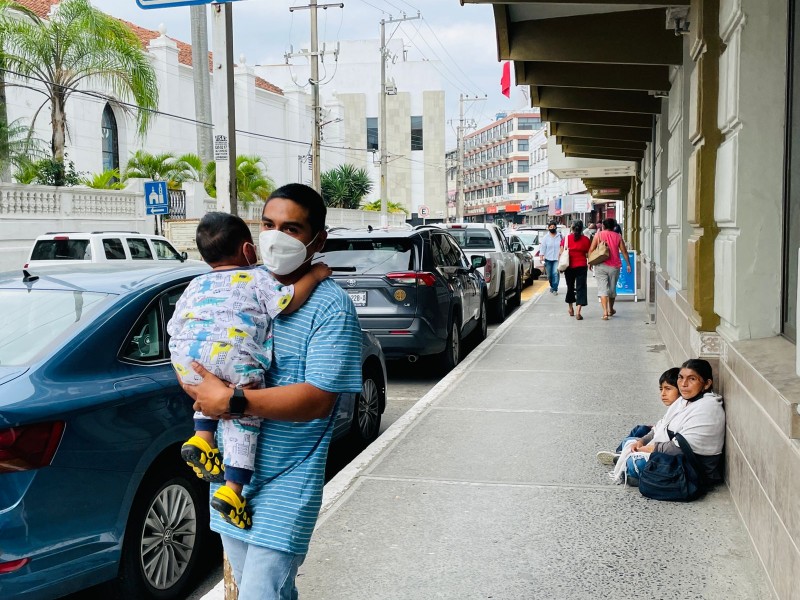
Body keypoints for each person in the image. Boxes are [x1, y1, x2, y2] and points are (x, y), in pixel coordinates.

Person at [177, 184, 363, 599]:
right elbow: (194, 359)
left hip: (287, 480)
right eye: (268, 224)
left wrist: (232, 400)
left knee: (263, 594)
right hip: (230, 480)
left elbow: (318, 400)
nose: (275, 236)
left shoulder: (331, 307)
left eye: (291, 228)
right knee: (253, 592)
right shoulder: (238, 285)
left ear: (318, 240)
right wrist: (200, 387)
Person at [168, 212, 330, 530]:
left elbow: (175, 325)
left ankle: (203, 438)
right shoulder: (257, 277)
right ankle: (234, 491)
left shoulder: (195, 284)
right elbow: (289, 301)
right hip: (234, 360)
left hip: (187, 359)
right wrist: (316, 275)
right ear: (248, 251)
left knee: (207, 390)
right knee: (243, 417)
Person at [610, 359, 725, 486]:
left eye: (692, 379)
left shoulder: (708, 408)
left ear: (707, 384)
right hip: (673, 454)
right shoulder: (683, 401)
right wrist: (641, 442)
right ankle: (629, 466)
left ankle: (629, 467)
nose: (683, 384)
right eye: (680, 378)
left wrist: (648, 449)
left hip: (693, 468)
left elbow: (680, 448)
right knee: (630, 442)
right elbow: (661, 427)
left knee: (634, 462)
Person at [596, 367, 681, 465]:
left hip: (664, 450)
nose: (663, 394)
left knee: (630, 443)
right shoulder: (672, 409)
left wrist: (645, 446)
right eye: (661, 389)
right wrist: (641, 441)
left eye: (668, 389)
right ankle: (619, 454)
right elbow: (658, 428)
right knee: (640, 429)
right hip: (657, 442)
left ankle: (622, 457)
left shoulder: (683, 412)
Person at [588, 217, 631, 320]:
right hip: (614, 267)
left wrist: (589, 262)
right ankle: (611, 309)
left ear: (603, 226)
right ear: (614, 227)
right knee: (612, 289)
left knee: (603, 289)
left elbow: (591, 249)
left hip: (600, 265)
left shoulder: (598, 235)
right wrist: (628, 264)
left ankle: (605, 313)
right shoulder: (618, 236)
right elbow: (624, 251)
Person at [559, 220, 591, 320]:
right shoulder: (586, 240)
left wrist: (560, 266)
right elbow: (588, 254)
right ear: (582, 228)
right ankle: (578, 312)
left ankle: (570, 308)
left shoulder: (566, 239)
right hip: (581, 266)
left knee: (570, 287)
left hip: (569, 267)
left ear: (571, 228)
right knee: (581, 288)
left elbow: (561, 253)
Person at [539, 220, 563, 294]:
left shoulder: (560, 236)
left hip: (557, 258)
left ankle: (555, 289)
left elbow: (563, 246)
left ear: (556, 227)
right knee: (549, 275)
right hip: (548, 258)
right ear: (548, 228)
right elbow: (543, 247)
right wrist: (541, 256)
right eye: (550, 227)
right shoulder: (546, 237)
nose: (552, 228)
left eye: (553, 226)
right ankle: (552, 286)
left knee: (555, 273)